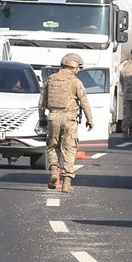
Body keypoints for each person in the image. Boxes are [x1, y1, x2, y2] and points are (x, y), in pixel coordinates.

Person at [38, 53, 94, 193]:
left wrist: (42, 119)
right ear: (74, 67)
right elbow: (84, 102)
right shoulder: (75, 82)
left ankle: (53, 174)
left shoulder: (50, 80)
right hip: (69, 119)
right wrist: (90, 119)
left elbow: (41, 102)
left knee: (52, 146)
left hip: (53, 117)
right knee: (69, 149)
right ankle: (66, 183)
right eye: (78, 68)